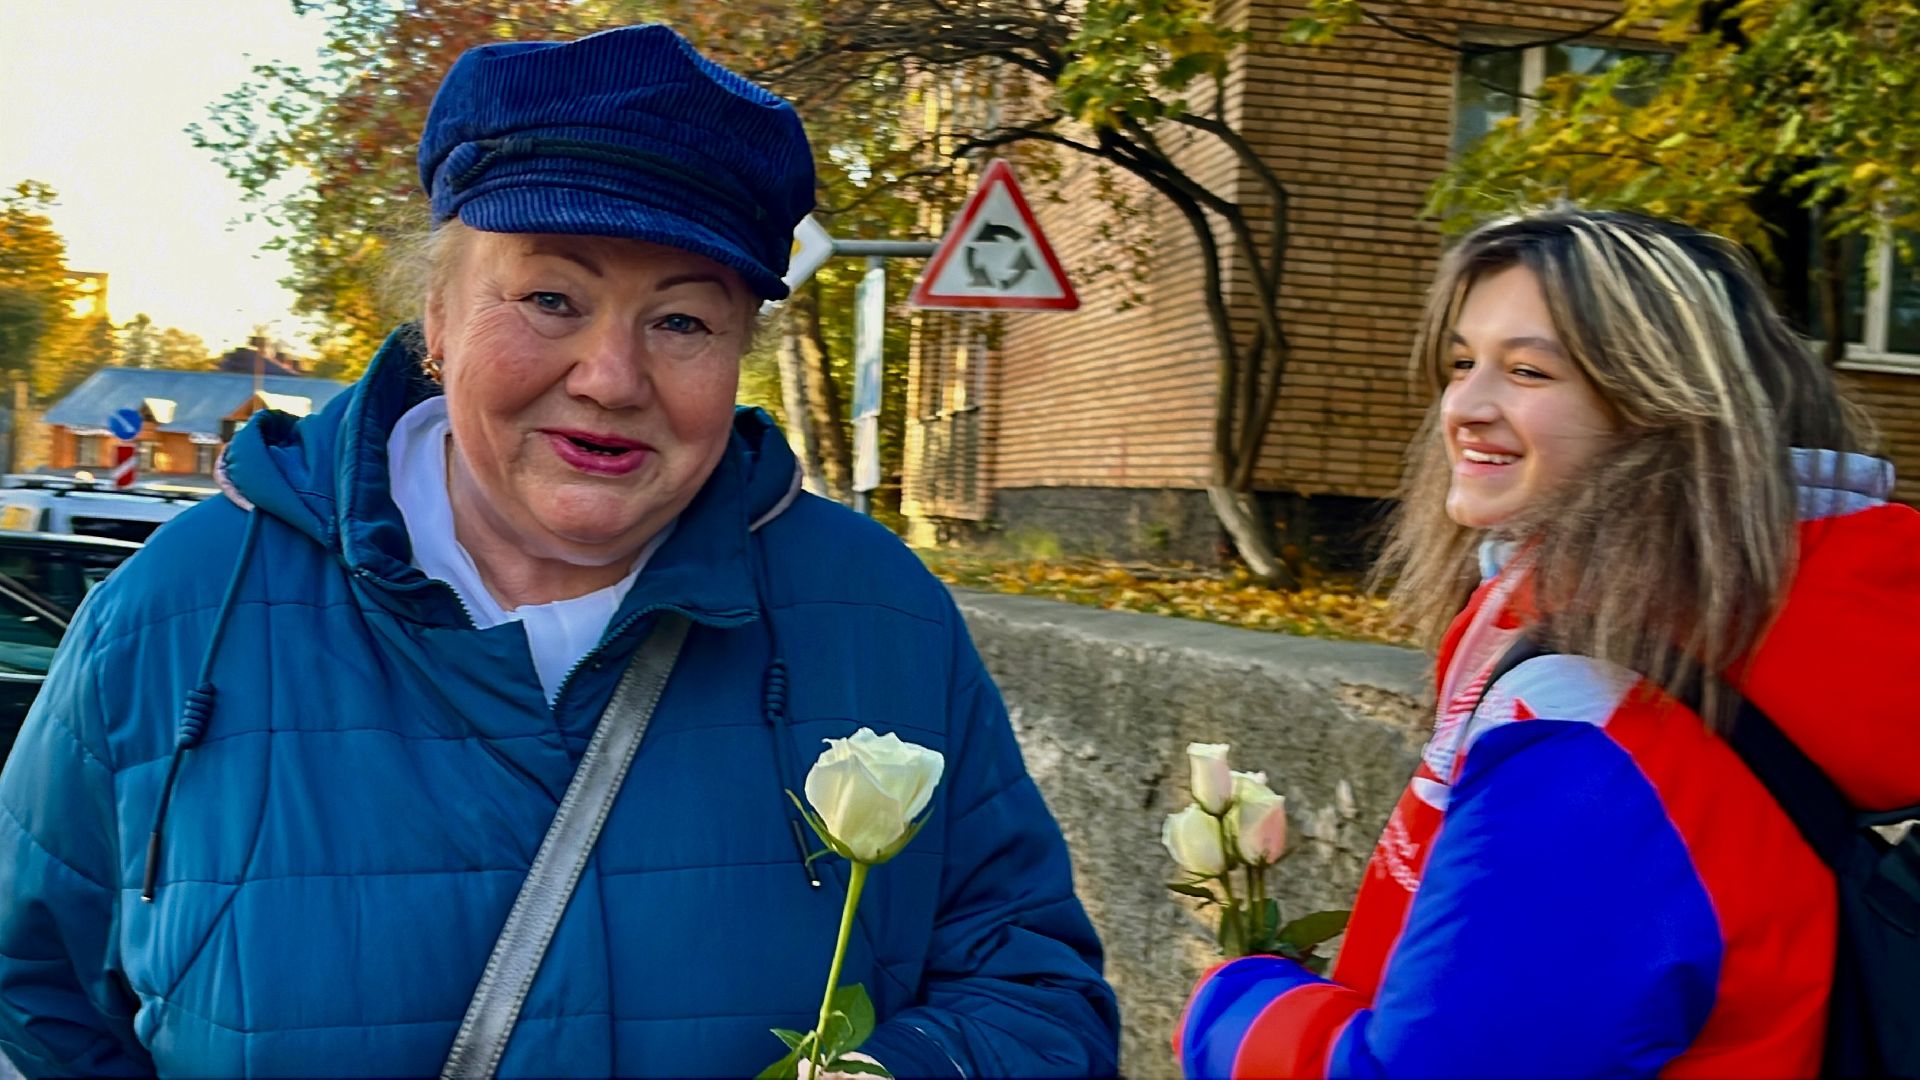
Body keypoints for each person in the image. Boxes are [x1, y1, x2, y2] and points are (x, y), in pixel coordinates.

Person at [0, 25, 1118, 1078]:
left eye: (682, 321)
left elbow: (1036, 993)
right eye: (550, 297)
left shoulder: (880, 619)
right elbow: (29, 999)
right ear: (437, 317)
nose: (612, 378)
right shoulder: (178, 613)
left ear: (739, 348)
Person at [1175, 208, 1920, 1077]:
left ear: (1662, 407)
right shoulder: (1797, 630)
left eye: (1528, 370)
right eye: (1462, 363)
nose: (1463, 407)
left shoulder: (1596, 724)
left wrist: (1236, 1010)